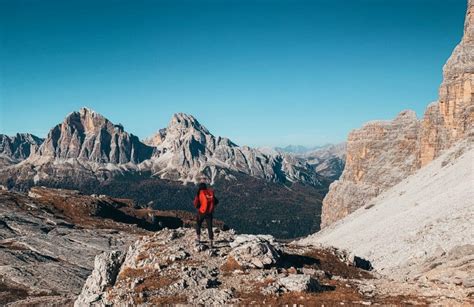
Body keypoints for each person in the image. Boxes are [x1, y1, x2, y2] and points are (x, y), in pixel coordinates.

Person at [193, 182, 218, 248]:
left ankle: (198, 239)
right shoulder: (210, 192)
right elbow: (216, 201)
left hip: (202, 212)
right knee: (210, 227)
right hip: (209, 213)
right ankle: (211, 242)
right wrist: (211, 207)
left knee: (198, 224)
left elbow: (195, 203)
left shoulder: (200, 193)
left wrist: (200, 207)